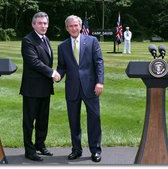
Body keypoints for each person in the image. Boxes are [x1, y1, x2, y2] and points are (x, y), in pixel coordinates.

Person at [56, 15, 104, 162]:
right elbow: (62, 66)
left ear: (81, 26)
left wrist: (99, 82)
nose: (73, 28)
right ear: (66, 28)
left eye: (76, 25)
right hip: (72, 88)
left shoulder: (92, 41)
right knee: (73, 120)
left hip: (91, 87)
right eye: (70, 26)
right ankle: (76, 150)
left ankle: (95, 150)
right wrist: (58, 75)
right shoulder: (62, 46)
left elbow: (99, 63)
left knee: (94, 119)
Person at [20, 11, 60, 161]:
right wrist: (52, 73)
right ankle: (29, 150)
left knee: (43, 119)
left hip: (45, 88)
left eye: (45, 23)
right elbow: (34, 62)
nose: (43, 26)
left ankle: (40, 145)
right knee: (29, 121)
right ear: (33, 24)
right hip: (31, 88)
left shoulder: (46, 39)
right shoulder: (28, 40)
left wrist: (52, 74)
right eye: (40, 23)